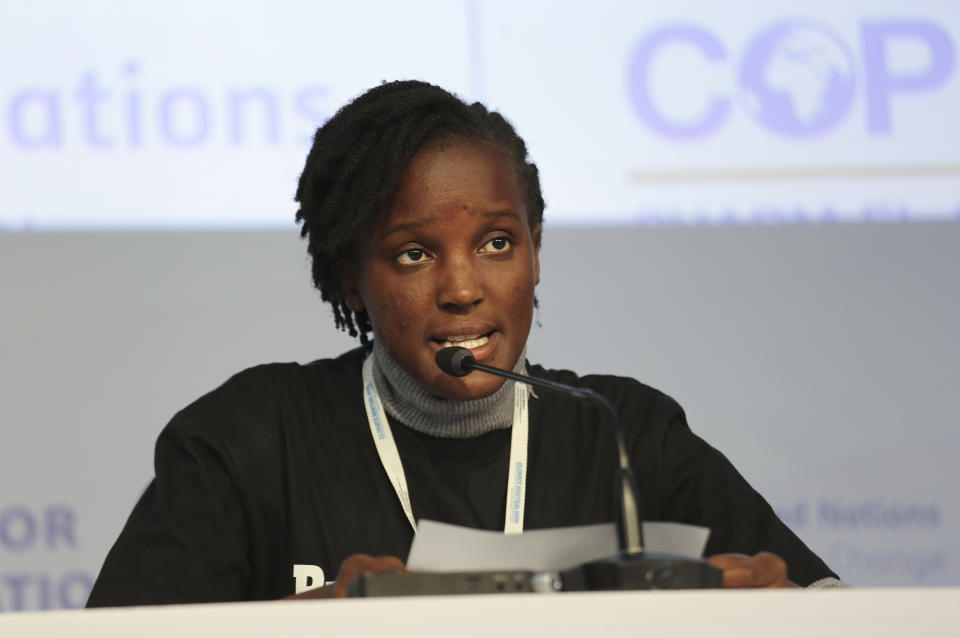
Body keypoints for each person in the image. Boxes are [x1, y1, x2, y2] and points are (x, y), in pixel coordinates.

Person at [86, 80, 841, 607]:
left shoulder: (622, 432)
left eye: (497, 242)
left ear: (536, 252)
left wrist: (777, 610)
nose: (462, 287)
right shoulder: (251, 436)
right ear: (352, 279)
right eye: (413, 253)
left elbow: (837, 604)